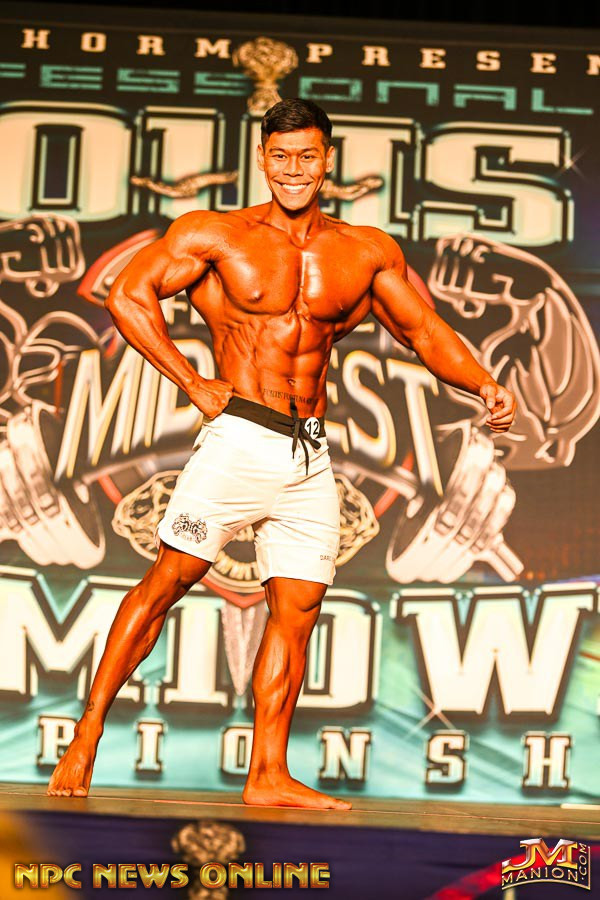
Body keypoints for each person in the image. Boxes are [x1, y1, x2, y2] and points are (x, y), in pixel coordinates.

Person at [47, 98, 516, 809]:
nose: (294, 169)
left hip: (310, 454)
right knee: (167, 581)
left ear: (328, 160)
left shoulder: (364, 250)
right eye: (281, 156)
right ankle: (85, 736)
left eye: (307, 156)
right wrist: (191, 381)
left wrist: (482, 382)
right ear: (263, 159)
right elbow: (129, 294)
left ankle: (267, 772)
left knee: (297, 612)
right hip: (238, 437)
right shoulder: (216, 235)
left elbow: (423, 329)